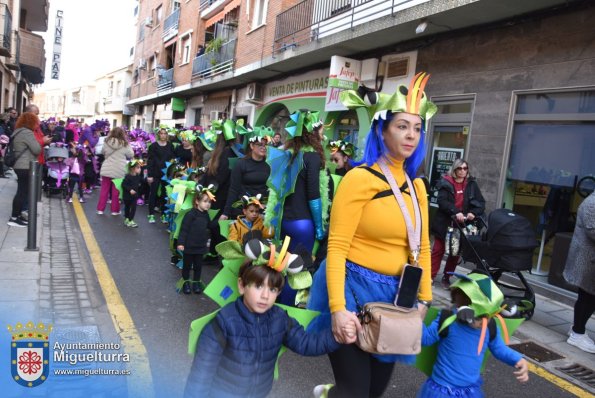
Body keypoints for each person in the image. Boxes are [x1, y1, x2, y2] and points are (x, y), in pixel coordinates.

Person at [307, 73, 437, 398]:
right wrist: (338, 308)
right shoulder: (359, 178)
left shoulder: (417, 186)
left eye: (417, 128)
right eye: (402, 126)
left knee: (374, 391)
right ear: (382, 129)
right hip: (351, 291)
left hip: (396, 299)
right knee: (355, 392)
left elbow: (421, 247)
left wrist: (424, 301)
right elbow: (335, 248)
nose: (411, 135)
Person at [183, 239, 346, 398]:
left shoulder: (280, 319)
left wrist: (338, 336)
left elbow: (306, 343)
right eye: (258, 286)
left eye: (273, 289)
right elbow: (201, 375)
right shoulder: (224, 321)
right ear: (241, 285)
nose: (265, 295)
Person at [419, 272, 529, 397]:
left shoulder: (490, 325)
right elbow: (426, 338)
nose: (484, 322)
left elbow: (499, 349)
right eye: (480, 317)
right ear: (463, 309)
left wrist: (518, 359)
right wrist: (418, 315)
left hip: (469, 391)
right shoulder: (447, 319)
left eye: (489, 316)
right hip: (442, 390)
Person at [430, 158, 485, 288]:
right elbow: (442, 202)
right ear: (454, 170)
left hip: (459, 226)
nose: (463, 171)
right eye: (460, 168)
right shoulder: (446, 183)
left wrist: (473, 213)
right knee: (438, 250)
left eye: (465, 168)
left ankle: (446, 277)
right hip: (445, 223)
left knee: (454, 253)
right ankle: (430, 277)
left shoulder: (471, 184)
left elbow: (480, 202)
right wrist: (455, 211)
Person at [563, 190, 595, 353]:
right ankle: (577, 334)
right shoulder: (592, 203)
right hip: (586, 260)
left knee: (589, 296)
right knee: (587, 297)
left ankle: (577, 328)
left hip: (589, 260)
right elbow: (593, 230)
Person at [177, 185, 216, 294]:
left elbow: (210, 226)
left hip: (200, 247)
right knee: (187, 266)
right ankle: (185, 283)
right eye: (205, 201)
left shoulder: (206, 215)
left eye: (209, 202)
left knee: (198, 266)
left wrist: (219, 221)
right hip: (189, 246)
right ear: (197, 202)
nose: (208, 204)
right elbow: (184, 230)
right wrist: (181, 243)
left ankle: (196, 282)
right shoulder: (190, 215)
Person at [221, 134, 271, 220]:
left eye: (265, 145)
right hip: (243, 210)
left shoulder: (268, 166)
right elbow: (234, 189)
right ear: (252, 146)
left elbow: (270, 190)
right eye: (260, 144)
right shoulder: (241, 164)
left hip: (261, 211)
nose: (264, 147)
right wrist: (226, 213)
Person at [7, 112, 42, 227]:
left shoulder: (18, 131)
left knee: (22, 191)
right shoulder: (27, 133)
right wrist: (43, 142)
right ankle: (14, 218)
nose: (37, 125)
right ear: (31, 122)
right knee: (22, 192)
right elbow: (36, 149)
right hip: (25, 166)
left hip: (19, 165)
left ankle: (18, 215)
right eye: (36, 122)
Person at [96, 127, 133, 215]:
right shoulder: (125, 144)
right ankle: (115, 210)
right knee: (116, 192)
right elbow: (131, 154)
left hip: (107, 168)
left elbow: (103, 152)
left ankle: (100, 209)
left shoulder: (106, 141)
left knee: (104, 190)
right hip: (119, 169)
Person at [146, 128, 175, 224]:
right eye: (161, 133)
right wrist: (149, 175)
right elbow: (149, 161)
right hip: (155, 174)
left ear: (167, 135)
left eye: (165, 133)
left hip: (166, 174)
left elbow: (172, 160)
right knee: (153, 194)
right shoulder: (153, 146)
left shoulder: (171, 146)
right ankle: (151, 214)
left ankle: (163, 214)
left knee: (164, 195)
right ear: (158, 135)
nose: (163, 135)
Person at [122, 159, 143, 228]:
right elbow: (124, 184)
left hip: (134, 196)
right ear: (133, 169)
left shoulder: (138, 176)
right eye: (138, 167)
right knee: (127, 207)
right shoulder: (128, 176)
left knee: (133, 207)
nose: (140, 169)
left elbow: (141, 182)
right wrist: (130, 189)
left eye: (140, 167)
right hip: (127, 196)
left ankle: (131, 220)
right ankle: (127, 219)